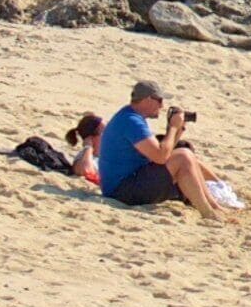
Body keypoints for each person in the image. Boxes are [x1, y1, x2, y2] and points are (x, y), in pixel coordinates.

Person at [95, 81, 231, 218]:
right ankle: (208, 212)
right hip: (121, 191)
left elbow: (165, 152)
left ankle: (214, 206)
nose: (162, 105)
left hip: (127, 183)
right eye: (159, 100)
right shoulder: (131, 121)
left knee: (186, 153)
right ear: (148, 99)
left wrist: (178, 130)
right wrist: (172, 127)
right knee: (183, 156)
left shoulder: (131, 116)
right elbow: (161, 157)